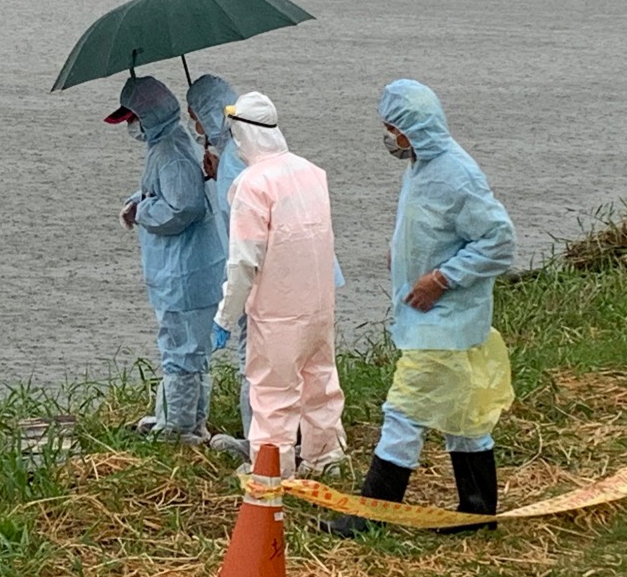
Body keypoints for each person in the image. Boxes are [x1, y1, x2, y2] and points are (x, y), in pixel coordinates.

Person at [322, 79, 515, 538]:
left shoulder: (456, 174)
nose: (390, 137)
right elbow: (429, 227)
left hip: (445, 321)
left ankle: (372, 516)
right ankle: (476, 512)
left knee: (403, 413)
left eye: (394, 129)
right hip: (441, 321)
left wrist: (441, 278)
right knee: (464, 417)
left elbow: (498, 241)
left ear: (414, 129)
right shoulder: (423, 165)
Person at [209, 91, 347, 479]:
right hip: (319, 307)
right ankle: (326, 460)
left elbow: (243, 261)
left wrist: (225, 317)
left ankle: (272, 473)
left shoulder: (252, 185)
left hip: (277, 314)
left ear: (242, 133)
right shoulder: (311, 172)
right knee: (321, 384)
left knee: (272, 396)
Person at [107, 75, 226, 445]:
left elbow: (183, 206)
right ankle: (186, 419)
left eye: (132, 119)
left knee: (180, 349)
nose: (131, 127)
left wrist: (142, 212)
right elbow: (166, 190)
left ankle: (177, 427)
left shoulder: (170, 151)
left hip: (183, 271)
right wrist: (140, 199)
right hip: (191, 268)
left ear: (148, 116)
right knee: (191, 350)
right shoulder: (172, 141)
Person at [185, 74, 251, 453]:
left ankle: (260, 448)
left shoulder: (234, 165)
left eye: (196, 117)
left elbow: (244, 240)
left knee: (254, 362)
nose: (194, 126)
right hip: (274, 278)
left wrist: (229, 309)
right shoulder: (241, 152)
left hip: (255, 279)